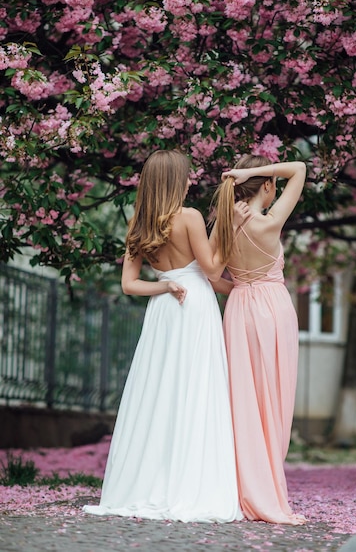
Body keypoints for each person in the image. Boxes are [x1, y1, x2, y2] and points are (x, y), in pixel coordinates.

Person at [84, 149, 246, 523]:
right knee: (196, 391)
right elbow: (210, 268)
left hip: (163, 315)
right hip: (195, 312)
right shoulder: (188, 217)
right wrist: (230, 224)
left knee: (160, 393)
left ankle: (149, 483)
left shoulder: (138, 226)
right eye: (187, 176)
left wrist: (165, 287)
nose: (191, 181)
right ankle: (190, 485)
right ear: (175, 180)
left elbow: (129, 285)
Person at [210, 154, 307, 525]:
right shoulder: (268, 223)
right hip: (273, 309)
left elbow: (211, 275)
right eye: (272, 185)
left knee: (243, 401)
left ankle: (243, 485)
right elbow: (299, 169)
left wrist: (240, 285)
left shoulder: (224, 226)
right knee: (274, 400)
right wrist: (250, 171)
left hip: (238, 309)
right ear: (266, 186)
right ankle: (267, 487)